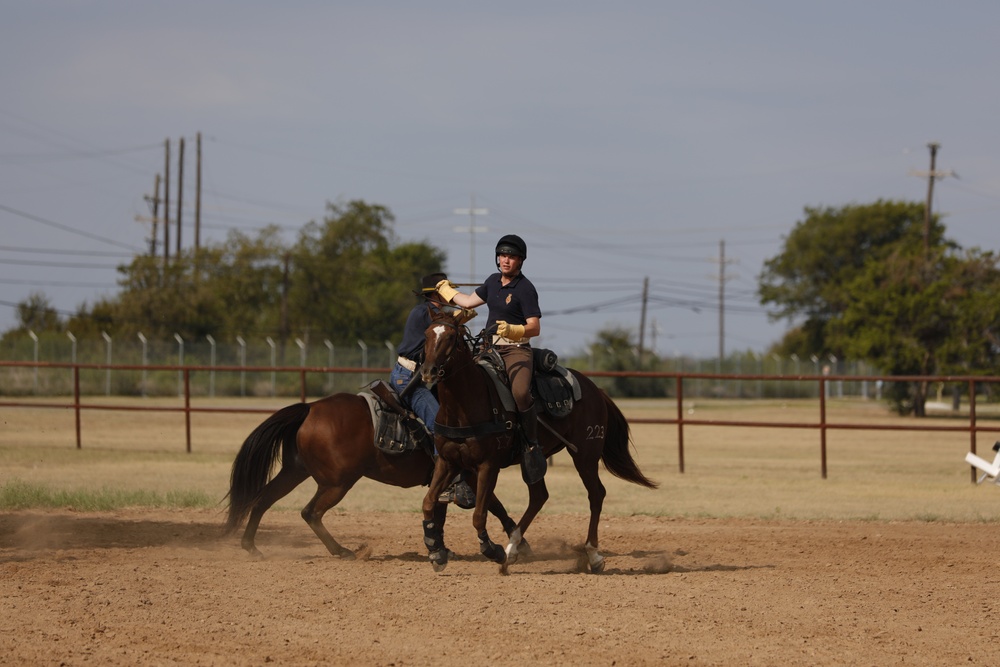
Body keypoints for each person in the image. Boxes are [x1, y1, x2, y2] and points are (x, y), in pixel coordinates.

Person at [435, 234, 547, 484]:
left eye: (512, 257)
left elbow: (535, 327)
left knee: (520, 393)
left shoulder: (525, 289)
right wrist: (446, 290)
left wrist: (514, 330)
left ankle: (531, 444)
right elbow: (467, 302)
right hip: (488, 348)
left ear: (520, 261)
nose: (506, 260)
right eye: (503, 255)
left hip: (516, 350)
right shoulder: (492, 282)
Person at [390, 272, 476, 508]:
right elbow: (447, 327)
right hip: (408, 378)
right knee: (441, 427)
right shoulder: (426, 314)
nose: (452, 296)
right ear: (439, 293)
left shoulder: (427, 312)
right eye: (448, 291)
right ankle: (446, 482)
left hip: (411, 375)